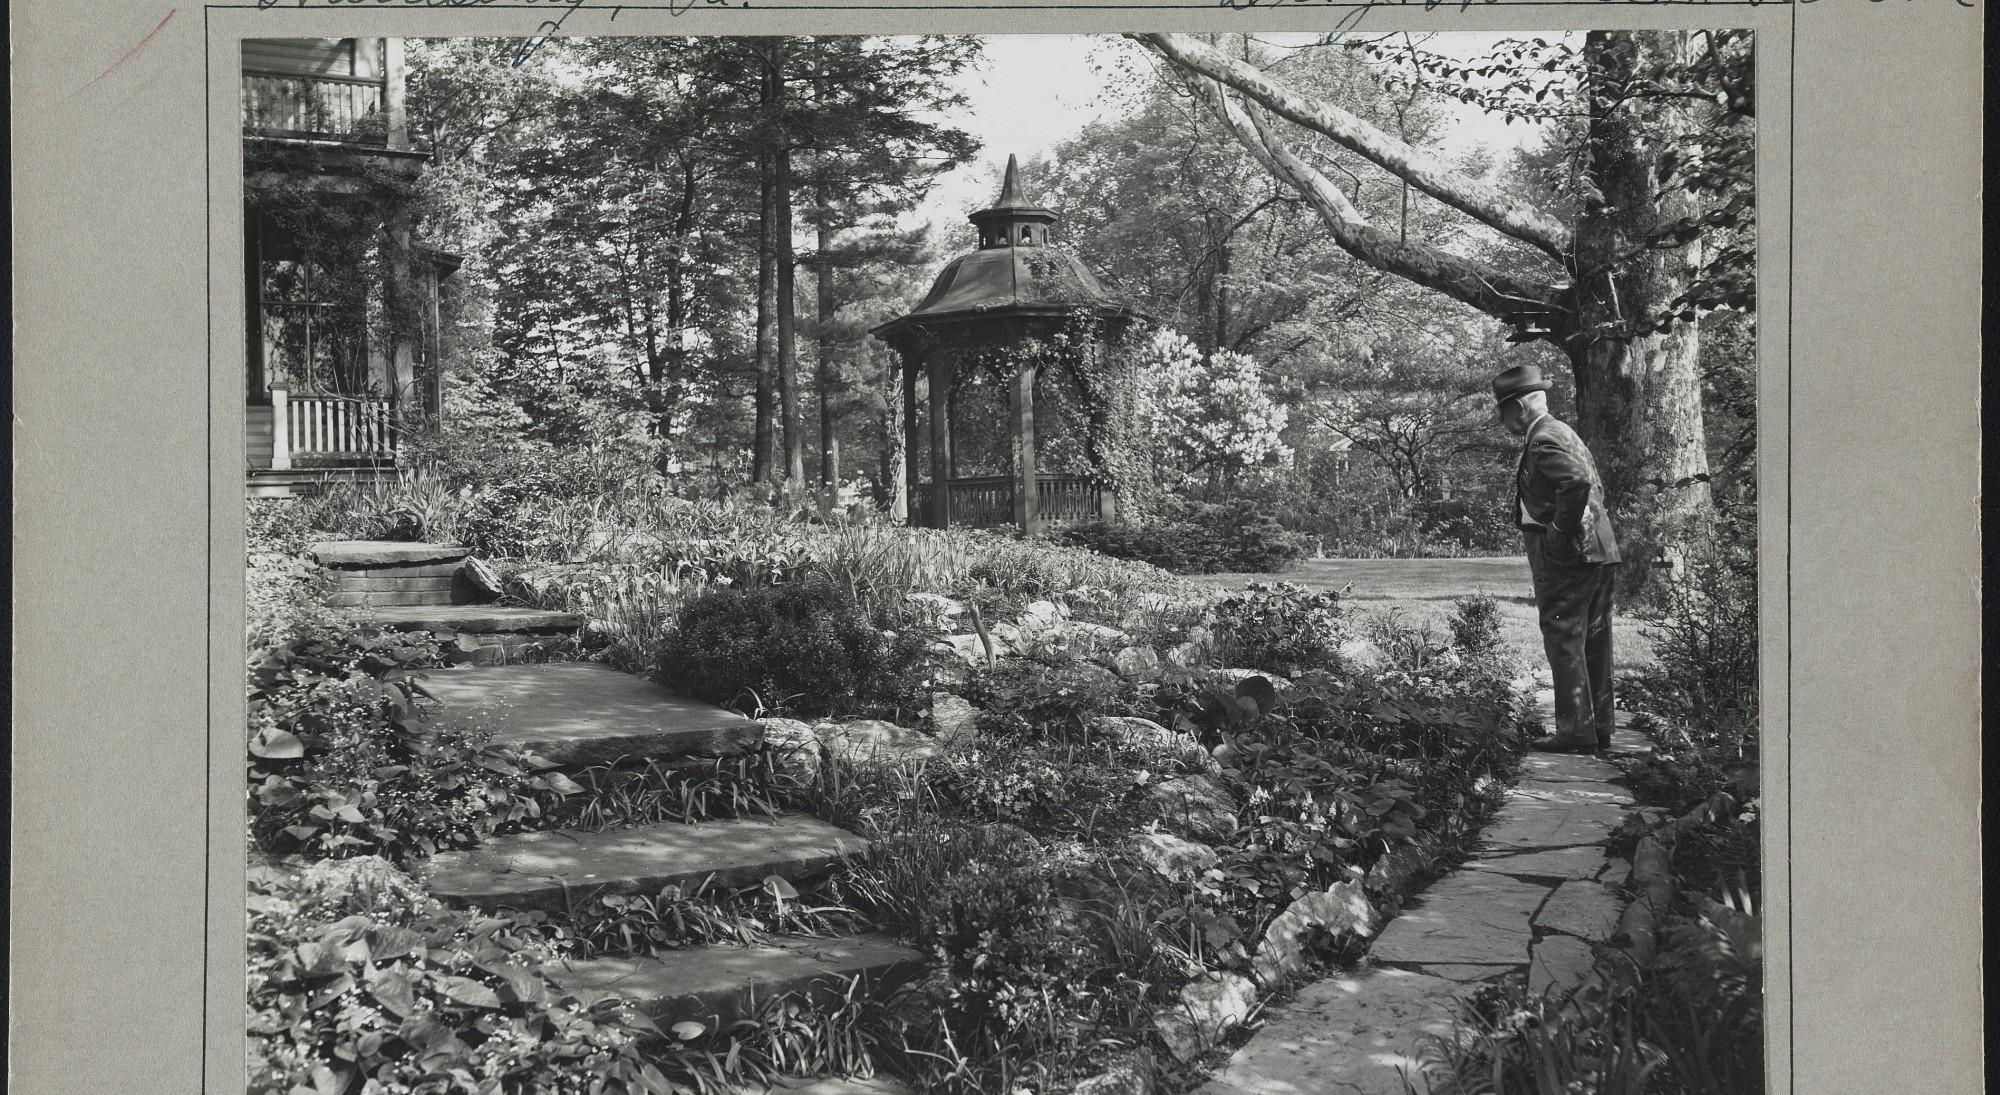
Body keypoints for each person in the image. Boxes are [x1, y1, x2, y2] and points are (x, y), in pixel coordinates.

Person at [1494, 364, 1622, 754]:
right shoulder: (1562, 431)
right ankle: (1598, 728)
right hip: (1598, 551)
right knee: (1595, 641)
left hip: (1569, 556)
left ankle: (1573, 733)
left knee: (1563, 638)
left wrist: (1559, 532)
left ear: (1518, 407)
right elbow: (1591, 481)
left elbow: (1578, 483)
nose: (1503, 421)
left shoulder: (1542, 440)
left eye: (1503, 412)